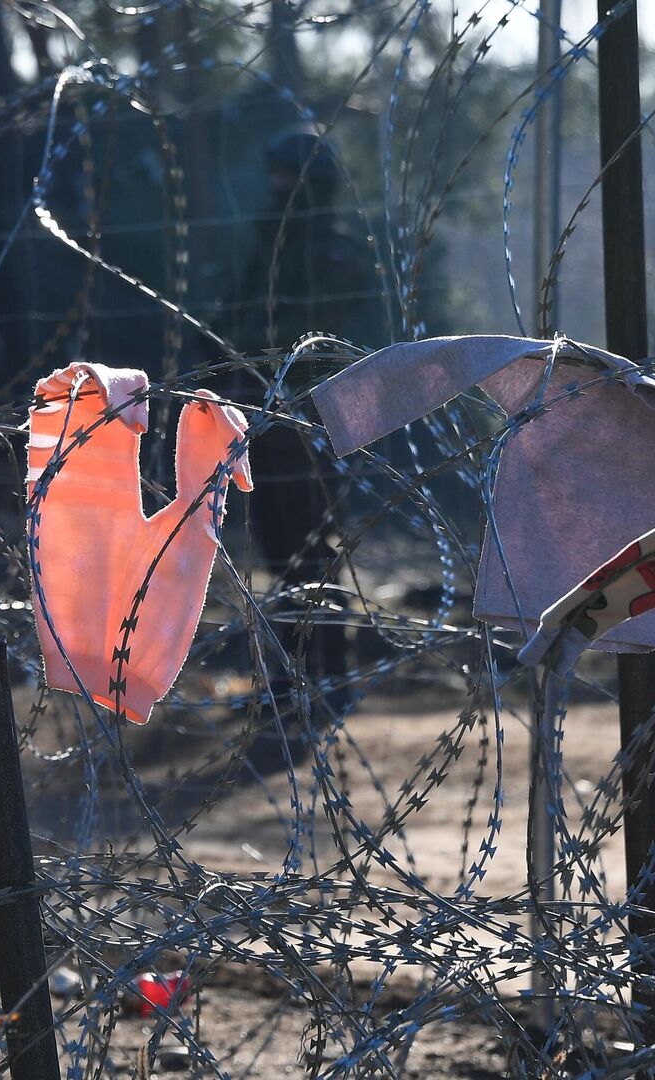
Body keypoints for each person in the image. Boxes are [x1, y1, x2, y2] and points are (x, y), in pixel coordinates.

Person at [227, 126, 384, 728]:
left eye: (287, 177)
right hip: (260, 419)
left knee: (311, 549)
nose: (276, 188)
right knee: (279, 553)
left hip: (313, 420)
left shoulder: (333, 252)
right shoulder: (263, 247)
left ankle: (330, 677)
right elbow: (235, 320)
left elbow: (333, 337)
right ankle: (290, 680)